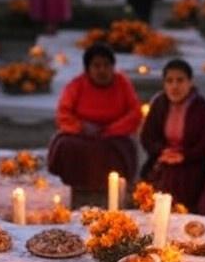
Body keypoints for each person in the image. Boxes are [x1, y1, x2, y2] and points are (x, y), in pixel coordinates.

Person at [47, 44, 143, 194]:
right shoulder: (76, 85)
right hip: (81, 133)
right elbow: (63, 113)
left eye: (106, 65)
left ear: (113, 67)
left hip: (114, 135)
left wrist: (111, 130)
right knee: (65, 145)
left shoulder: (123, 83)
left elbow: (135, 113)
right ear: (88, 69)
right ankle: (73, 189)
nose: (102, 70)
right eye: (96, 66)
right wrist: (80, 127)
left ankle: (111, 192)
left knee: (121, 150)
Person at [139, 59, 205, 210]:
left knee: (176, 176)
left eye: (180, 80)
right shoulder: (159, 103)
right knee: (159, 176)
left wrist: (184, 156)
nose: (174, 86)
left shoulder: (201, 107)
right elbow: (147, 136)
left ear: (190, 82)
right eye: (169, 81)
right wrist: (162, 151)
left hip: (193, 163)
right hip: (163, 157)